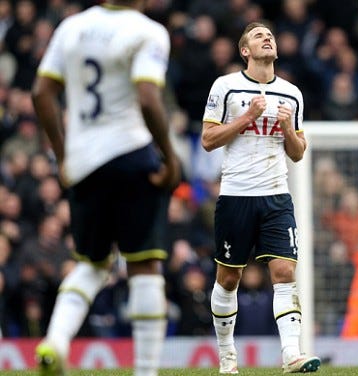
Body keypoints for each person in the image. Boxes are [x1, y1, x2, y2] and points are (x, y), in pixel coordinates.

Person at [31, 1, 181, 375]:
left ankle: (56, 342)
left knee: (91, 263)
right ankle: (145, 370)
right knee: (144, 264)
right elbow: (148, 97)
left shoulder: (72, 27)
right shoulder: (147, 31)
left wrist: (65, 156)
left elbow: (40, 93)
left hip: (84, 162)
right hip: (131, 154)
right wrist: (170, 157)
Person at [201, 22, 320, 374]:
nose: (267, 37)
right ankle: (227, 357)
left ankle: (292, 354)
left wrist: (286, 129)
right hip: (236, 195)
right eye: (258, 36)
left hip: (276, 196)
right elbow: (208, 140)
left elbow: (298, 152)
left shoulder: (291, 94)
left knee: (284, 271)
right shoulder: (226, 87)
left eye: (270, 35)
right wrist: (248, 117)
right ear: (245, 51)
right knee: (228, 279)